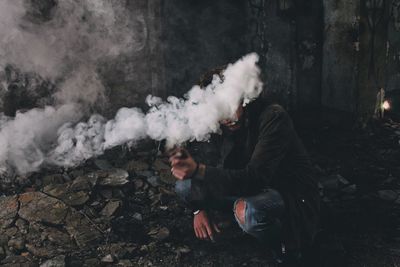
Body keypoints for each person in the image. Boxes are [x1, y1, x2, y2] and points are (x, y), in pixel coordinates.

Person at [170, 69, 320, 263]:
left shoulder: (273, 117)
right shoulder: (219, 121)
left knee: (248, 212)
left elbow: (255, 178)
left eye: (230, 106)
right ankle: (239, 221)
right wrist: (199, 209)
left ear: (242, 97)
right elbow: (202, 165)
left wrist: (199, 170)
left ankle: (284, 248)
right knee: (185, 185)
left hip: (287, 192)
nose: (226, 117)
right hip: (243, 185)